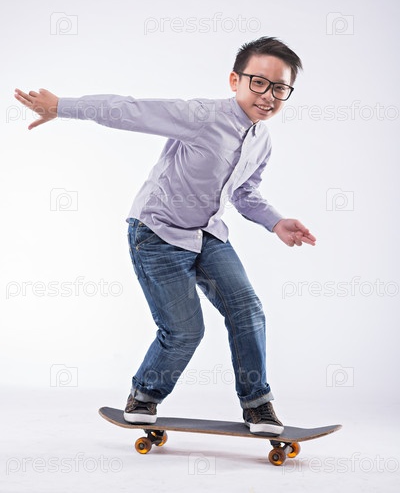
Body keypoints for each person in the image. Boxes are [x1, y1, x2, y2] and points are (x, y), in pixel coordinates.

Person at [14, 36, 316, 435]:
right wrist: (62, 106)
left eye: (280, 88)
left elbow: (244, 193)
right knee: (185, 331)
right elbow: (130, 110)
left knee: (248, 312)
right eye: (259, 82)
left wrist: (275, 222)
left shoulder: (262, 141)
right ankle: (144, 395)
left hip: (207, 234)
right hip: (157, 233)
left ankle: (258, 406)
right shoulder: (201, 116)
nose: (268, 96)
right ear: (235, 80)